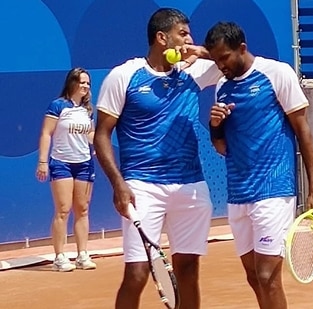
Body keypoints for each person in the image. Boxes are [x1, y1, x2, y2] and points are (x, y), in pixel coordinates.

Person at [93, 8, 222, 309]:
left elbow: (232, 59)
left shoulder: (193, 72)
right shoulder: (124, 76)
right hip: (142, 186)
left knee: (188, 271)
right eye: (183, 34)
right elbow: (102, 135)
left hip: (190, 186)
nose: (189, 40)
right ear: (162, 38)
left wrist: (198, 52)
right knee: (137, 274)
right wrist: (119, 183)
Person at [205, 21, 313, 309]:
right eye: (215, 59)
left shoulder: (277, 73)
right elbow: (221, 147)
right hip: (238, 192)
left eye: (224, 58)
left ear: (242, 49)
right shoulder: (222, 87)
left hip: (274, 189)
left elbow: (303, 130)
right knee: (252, 276)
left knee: (267, 274)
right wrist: (214, 125)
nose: (220, 66)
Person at [36, 67, 97, 272]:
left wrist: (97, 146)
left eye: (88, 83)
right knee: (63, 210)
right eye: (82, 82)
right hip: (61, 163)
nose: (86, 86)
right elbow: (46, 133)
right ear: (72, 83)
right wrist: (43, 162)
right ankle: (60, 257)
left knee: (83, 209)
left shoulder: (88, 109)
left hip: (84, 164)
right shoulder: (58, 105)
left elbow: (90, 134)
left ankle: (82, 254)